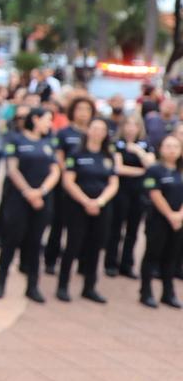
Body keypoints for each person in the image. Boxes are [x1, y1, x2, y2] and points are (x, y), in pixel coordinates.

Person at [0, 107, 61, 303]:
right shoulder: (16, 140)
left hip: (42, 200)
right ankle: (1, 281)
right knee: (11, 240)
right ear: (35, 119)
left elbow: (55, 171)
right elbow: (12, 169)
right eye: (47, 119)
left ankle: (32, 285)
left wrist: (41, 192)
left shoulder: (49, 142)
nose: (49, 124)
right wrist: (28, 192)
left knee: (35, 242)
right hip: (19, 198)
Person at [57, 117, 118, 303]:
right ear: (88, 130)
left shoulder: (108, 156)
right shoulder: (76, 154)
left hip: (101, 207)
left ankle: (89, 286)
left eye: (102, 129)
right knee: (73, 245)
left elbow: (113, 182)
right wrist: (86, 201)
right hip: (77, 206)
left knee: (96, 246)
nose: (98, 132)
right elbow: (68, 181)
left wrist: (99, 202)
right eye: (95, 128)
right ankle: (63, 285)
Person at [44, 96, 94, 275]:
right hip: (65, 186)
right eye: (80, 109)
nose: (83, 113)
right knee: (58, 224)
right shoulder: (65, 133)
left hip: (86, 186)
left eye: (87, 110)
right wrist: (68, 176)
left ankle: (80, 260)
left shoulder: (93, 133)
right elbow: (58, 156)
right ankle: (51, 259)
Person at [141, 133, 183, 309]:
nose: (172, 150)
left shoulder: (180, 171)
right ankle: (146, 291)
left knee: (172, 257)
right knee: (152, 255)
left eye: (175, 146)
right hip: (158, 219)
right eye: (168, 146)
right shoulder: (154, 170)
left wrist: (179, 215)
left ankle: (168, 292)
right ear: (161, 149)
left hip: (179, 222)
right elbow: (155, 194)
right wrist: (170, 215)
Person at [111, 115, 152, 278]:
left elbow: (151, 164)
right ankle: (111, 262)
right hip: (121, 191)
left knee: (133, 230)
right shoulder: (117, 144)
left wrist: (138, 151)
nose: (130, 128)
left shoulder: (145, 145)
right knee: (116, 229)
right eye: (127, 124)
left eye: (134, 125)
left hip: (139, 193)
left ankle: (127, 264)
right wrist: (141, 171)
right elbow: (118, 168)